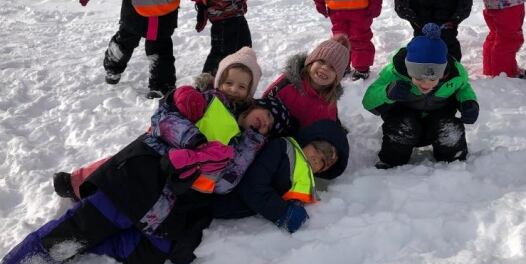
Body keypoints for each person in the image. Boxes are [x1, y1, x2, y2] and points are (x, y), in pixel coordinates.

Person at [0, 95, 291, 264]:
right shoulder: (207, 105)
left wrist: (248, 143)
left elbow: (223, 184)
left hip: (158, 209)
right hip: (130, 182)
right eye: (265, 117)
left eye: (269, 128)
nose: (264, 125)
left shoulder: (243, 148)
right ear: (252, 106)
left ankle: (91, 244)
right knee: (66, 236)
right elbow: (164, 117)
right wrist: (195, 143)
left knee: (143, 256)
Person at [54, 47, 265, 200]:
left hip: (186, 163)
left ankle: (101, 200)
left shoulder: (242, 120)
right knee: (121, 163)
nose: (233, 89)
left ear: (250, 90)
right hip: (165, 143)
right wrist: (192, 139)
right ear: (219, 81)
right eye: (228, 82)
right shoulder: (205, 97)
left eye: (241, 86)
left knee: (139, 187)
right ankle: (77, 183)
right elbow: (172, 114)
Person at [362, 23, 479, 169]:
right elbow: (368, 101)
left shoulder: (455, 75)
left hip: (438, 119)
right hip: (404, 120)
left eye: (432, 79)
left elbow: (463, 88)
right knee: (402, 124)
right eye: (418, 78)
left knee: (449, 127)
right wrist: (387, 92)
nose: (425, 84)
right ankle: (392, 161)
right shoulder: (394, 73)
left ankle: (453, 162)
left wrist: (469, 102)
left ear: (442, 73)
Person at [211, 119, 350, 233]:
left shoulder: (305, 180)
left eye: (323, 162)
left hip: (222, 211)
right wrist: (283, 213)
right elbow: (252, 185)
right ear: (308, 141)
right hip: (214, 198)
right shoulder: (281, 149)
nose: (316, 159)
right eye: (318, 149)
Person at [263, 35, 350, 129]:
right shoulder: (287, 83)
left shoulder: (329, 101)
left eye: (332, 68)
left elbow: (330, 128)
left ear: (336, 78)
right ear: (310, 63)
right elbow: (264, 104)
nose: (325, 68)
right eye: (321, 61)